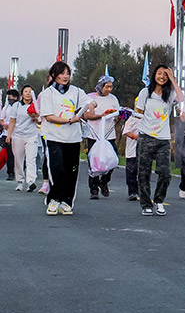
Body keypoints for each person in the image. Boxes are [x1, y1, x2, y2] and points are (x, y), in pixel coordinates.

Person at [39, 62, 96, 215]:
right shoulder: (48, 94)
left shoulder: (77, 92)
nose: (65, 76)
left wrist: (91, 105)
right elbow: (49, 117)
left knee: (72, 171)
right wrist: (70, 120)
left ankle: (67, 201)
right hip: (54, 138)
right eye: (62, 73)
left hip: (73, 139)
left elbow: (89, 102)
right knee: (58, 169)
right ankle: (54, 200)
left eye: (67, 73)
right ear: (54, 75)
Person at [135, 65, 182, 217]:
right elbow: (139, 113)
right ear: (154, 75)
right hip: (146, 137)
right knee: (144, 172)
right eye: (159, 73)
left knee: (165, 173)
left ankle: (159, 200)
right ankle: (146, 204)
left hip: (163, 139)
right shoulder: (145, 93)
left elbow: (181, 98)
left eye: (165, 75)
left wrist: (173, 79)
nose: (162, 77)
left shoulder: (169, 94)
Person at [83, 75, 120, 199]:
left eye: (111, 87)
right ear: (100, 86)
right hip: (94, 135)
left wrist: (116, 116)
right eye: (107, 86)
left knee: (112, 161)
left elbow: (117, 113)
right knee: (94, 163)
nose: (109, 89)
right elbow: (86, 115)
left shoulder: (113, 98)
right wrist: (102, 115)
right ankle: (93, 189)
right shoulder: (90, 98)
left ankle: (104, 182)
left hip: (109, 135)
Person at [6, 85, 40, 191]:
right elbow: (12, 121)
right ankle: (20, 181)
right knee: (18, 160)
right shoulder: (16, 106)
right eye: (26, 91)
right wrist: (9, 135)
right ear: (22, 94)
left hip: (32, 135)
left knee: (31, 159)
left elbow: (40, 120)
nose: (28, 93)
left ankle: (31, 181)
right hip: (18, 136)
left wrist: (35, 117)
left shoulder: (36, 105)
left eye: (30, 91)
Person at [122, 98, 142, 202]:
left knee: (142, 172)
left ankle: (142, 191)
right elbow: (126, 132)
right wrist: (135, 136)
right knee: (131, 172)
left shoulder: (148, 119)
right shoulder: (132, 119)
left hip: (143, 151)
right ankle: (132, 192)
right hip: (132, 151)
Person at [1, 89, 20, 180]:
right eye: (9, 98)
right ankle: (10, 172)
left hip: (18, 134)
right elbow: (1, 119)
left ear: (16, 98)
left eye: (11, 98)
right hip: (7, 134)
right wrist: (4, 125)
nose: (10, 100)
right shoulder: (6, 108)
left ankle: (20, 171)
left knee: (18, 154)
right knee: (9, 155)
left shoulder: (20, 107)